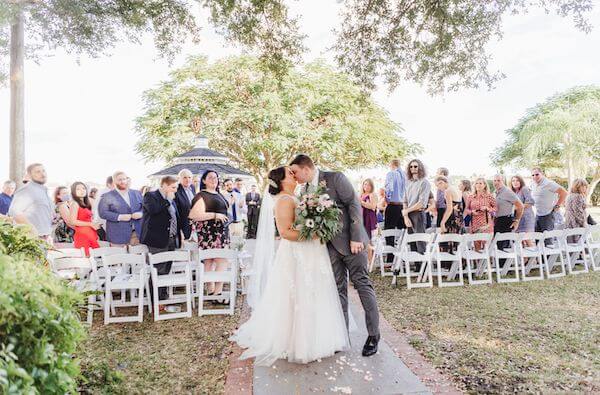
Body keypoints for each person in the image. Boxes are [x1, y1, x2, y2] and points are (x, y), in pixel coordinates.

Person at [231, 166, 349, 366]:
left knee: (313, 293)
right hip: (296, 254)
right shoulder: (284, 201)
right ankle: (298, 343)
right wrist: (315, 233)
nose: (294, 175)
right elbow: (285, 233)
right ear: (282, 180)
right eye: (289, 173)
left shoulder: (296, 197)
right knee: (298, 294)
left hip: (309, 252)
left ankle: (317, 337)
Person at [289, 154, 380, 357]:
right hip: (327, 247)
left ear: (306, 168)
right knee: (338, 290)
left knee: (362, 285)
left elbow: (354, 204)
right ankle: (342, 336)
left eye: (295, 172)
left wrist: (357, 237)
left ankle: (373, 336)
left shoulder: (335, 178)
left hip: (352, 243)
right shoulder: (304, 190)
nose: (294, 176)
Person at [189, 170, 230, 298]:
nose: (214, 179)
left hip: (221, 232)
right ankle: (217, 293)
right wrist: (215, 215)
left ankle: (211, 291)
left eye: (216, 177)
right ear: (204, 180)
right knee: (221, 261)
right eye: (210, 177)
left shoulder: (219, 194)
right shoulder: (201, 195)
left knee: (210, 261)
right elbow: (193, 215)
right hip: (210, 234)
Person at [141, 176, 181, 305]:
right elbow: (153, 210)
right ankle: (153, 300)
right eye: (173, 187)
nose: (175, 190)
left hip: (171, 238)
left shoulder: (172, 198)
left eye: (176, 188)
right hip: (157, 238)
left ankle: (162, 297)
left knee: (166, 268)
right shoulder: (150, 196)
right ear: (164, 185)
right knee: (157, 269)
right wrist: (167, 201)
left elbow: (175, 216)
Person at [8, 163, 54, 240]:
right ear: (29, 175)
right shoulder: (27, 190)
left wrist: (48, 235)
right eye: (37, 172)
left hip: (44, 237)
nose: (42, 174)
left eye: (43, 171)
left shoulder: (44, 191)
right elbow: (14, 212)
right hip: (31, 238)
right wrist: (32, 229)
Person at [98, 171, 143, 246]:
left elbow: (145, 208)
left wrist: (141, 214)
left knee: (137, 257)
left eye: (124, 179)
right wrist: (119, 217)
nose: (123, 181)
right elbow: (102, 213)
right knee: (119, 257)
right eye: (119, 180)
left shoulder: (137, 193)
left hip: (136, 234)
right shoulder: (107, 196)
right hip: (117, 236)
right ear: (114, 181)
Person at [402, 159, 431, 253]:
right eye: (411, 167)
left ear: (420, 168)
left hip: (418, 214)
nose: (413, 168)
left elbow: (422, 203)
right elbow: (405, 201)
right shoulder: (408, 183)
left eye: (415, 166)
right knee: (412, 242)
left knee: (420, 242)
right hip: (409, 214)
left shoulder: (424, 182)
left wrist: (406, 211)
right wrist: (406, 216)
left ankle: (422, 266)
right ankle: (416, 266)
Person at [530, 167, 567, 233]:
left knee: (547, 239)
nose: (535, 176)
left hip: (548, 214)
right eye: (533, 175)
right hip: (538, 214)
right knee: (537, 238)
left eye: (537, 174)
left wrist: (557, 206)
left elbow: (564, 193)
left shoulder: (549, 183)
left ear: (542, 174)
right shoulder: (533, 184)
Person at [492, 175, 523, 252]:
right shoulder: (495, 192)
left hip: (505, 221)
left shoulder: (507, 192)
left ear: (503, 181)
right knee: (496, 245)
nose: (496, 182)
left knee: (503, 247)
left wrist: (516, 221)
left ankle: (504, 264)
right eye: (495, 181)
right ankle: (499, 264)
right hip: (497, 221)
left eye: (499, 180)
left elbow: (520, 206)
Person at [383, 159, 406, 262]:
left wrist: (387, 198)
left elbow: (389, 188)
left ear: (392, 165)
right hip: (403, 207)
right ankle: (403, 257)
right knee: (403, 232)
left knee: (389, 231)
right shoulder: (405, 175)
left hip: (393, 206)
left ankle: (390, 259)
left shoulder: (391, 173)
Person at [69, 182, 100, 256]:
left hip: (90, 232)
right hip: (82, 235)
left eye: (83, 188)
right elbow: (72, 221)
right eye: (78, 189)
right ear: (73, 191)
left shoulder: (85, 203)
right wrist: (90, 224)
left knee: (94, 259)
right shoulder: (75, 203)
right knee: (86, 260)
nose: (82, 190)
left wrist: (94, 224)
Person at [174, 168, 196, 241]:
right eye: (185, 177)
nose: (188, 179)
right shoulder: (176, 190)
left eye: (189, 177)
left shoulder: (192, 188)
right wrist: (179, 230)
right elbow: (176, 213)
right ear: (179, 179)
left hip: (194, 223)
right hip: (183, 225)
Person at [360, 179, 378, 263]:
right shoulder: (361, 195)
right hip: (362, 218)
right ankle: (366, 260)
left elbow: (373, 206)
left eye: (368, 185)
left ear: (371, 186)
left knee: (368, 240)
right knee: (363, 239)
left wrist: (361, 202)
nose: (366, 186)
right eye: (365, 184)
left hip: (369, 218)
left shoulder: (372, 194)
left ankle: (370, 262)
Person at [93, 176, 114, 241]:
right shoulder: (106, 193)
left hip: (100, 223)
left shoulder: (103, 192)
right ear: (109, 184)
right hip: (104, 224)